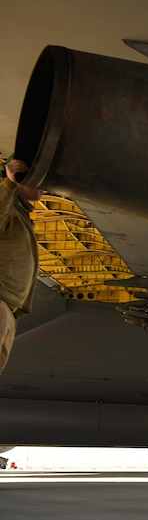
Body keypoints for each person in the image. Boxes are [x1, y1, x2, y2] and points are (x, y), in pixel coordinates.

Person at [0, 156, 42, 374]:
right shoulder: (8, 206)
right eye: (38, 179)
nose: (44, 187)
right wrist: (9, 183)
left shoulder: (20, 213)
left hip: (8, 310)